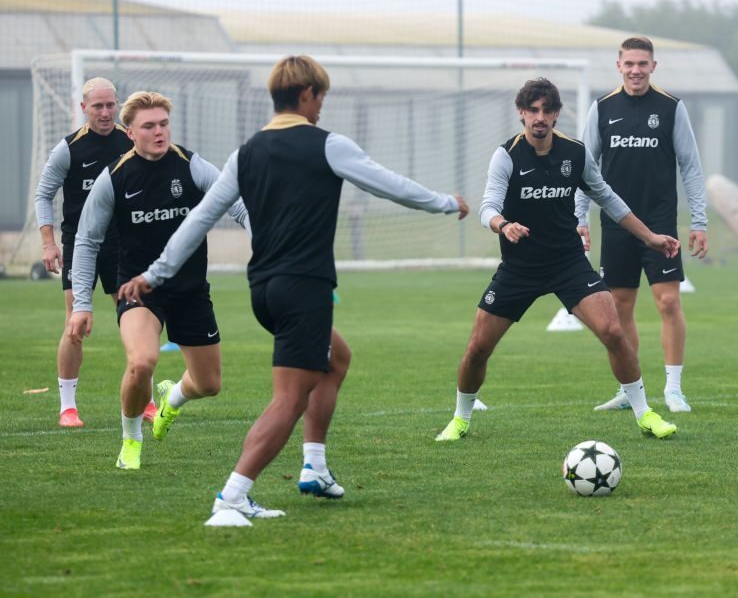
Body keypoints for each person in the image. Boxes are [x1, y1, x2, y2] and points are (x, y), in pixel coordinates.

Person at [118, 55, 469, 520]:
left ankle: (315, 468)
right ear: (307, 95)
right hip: (304, 288)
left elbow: (200, 220)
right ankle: (232, 498)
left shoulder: (245, 153)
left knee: (336, 358)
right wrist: (447, 202)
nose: (322, 105)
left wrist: (155, 273)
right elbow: (390, 186)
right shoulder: (327, 144)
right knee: (289, 398)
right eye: (321, 96)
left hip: (264, 289)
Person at [435, 78, 680, 443]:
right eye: (533, 110)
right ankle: (461, 418)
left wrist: (650, 237)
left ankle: (645, 414)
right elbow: (487, 207)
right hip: (520, 267)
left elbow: (608, 198)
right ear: (521, 113)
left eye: (547, 111)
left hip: (568, 263)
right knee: (478, 348)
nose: (540, 118)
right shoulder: (507, 155)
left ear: (556, 114)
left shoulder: (575, 153)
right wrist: (504, 226)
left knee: (613, 331)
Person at [66, 91, 250, 470]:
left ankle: (172, 400)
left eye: (163, 123)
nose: (159, 131)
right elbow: (86, 242)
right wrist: (82, 304)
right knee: (142, 362)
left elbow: (238, 203)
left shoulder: (192, 165)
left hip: (190, 290)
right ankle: (131, 442)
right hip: (137, 290)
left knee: (209, 384)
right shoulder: (113, 178)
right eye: (149, 126)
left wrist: (264, 239)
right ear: (130, 132)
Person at [575, 36, 709, 414]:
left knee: (668, 301)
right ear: (619, 66)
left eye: (642, 64)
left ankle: (674, 389)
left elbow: (691, 167)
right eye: (629, 64)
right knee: (618, 309)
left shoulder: (670, 108)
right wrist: (579, 217)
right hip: (616, 224)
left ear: (653, 66)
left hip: (660, 222)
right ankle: (630, 388)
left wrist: (699, 220)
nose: (636, 70)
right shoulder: (601, 108)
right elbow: (586, 168)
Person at [34, 78, 158, 427]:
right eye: (97, 106)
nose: (105, 113)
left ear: (118, 105)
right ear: (83, 107)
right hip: (81, 245)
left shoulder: (131, 141)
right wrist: (48, 242)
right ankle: (67, 408)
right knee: (75, 323)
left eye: (110, 105)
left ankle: (144, 400)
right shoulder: (69, 149)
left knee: (139, 317)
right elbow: (43, 195)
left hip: (125, 244)